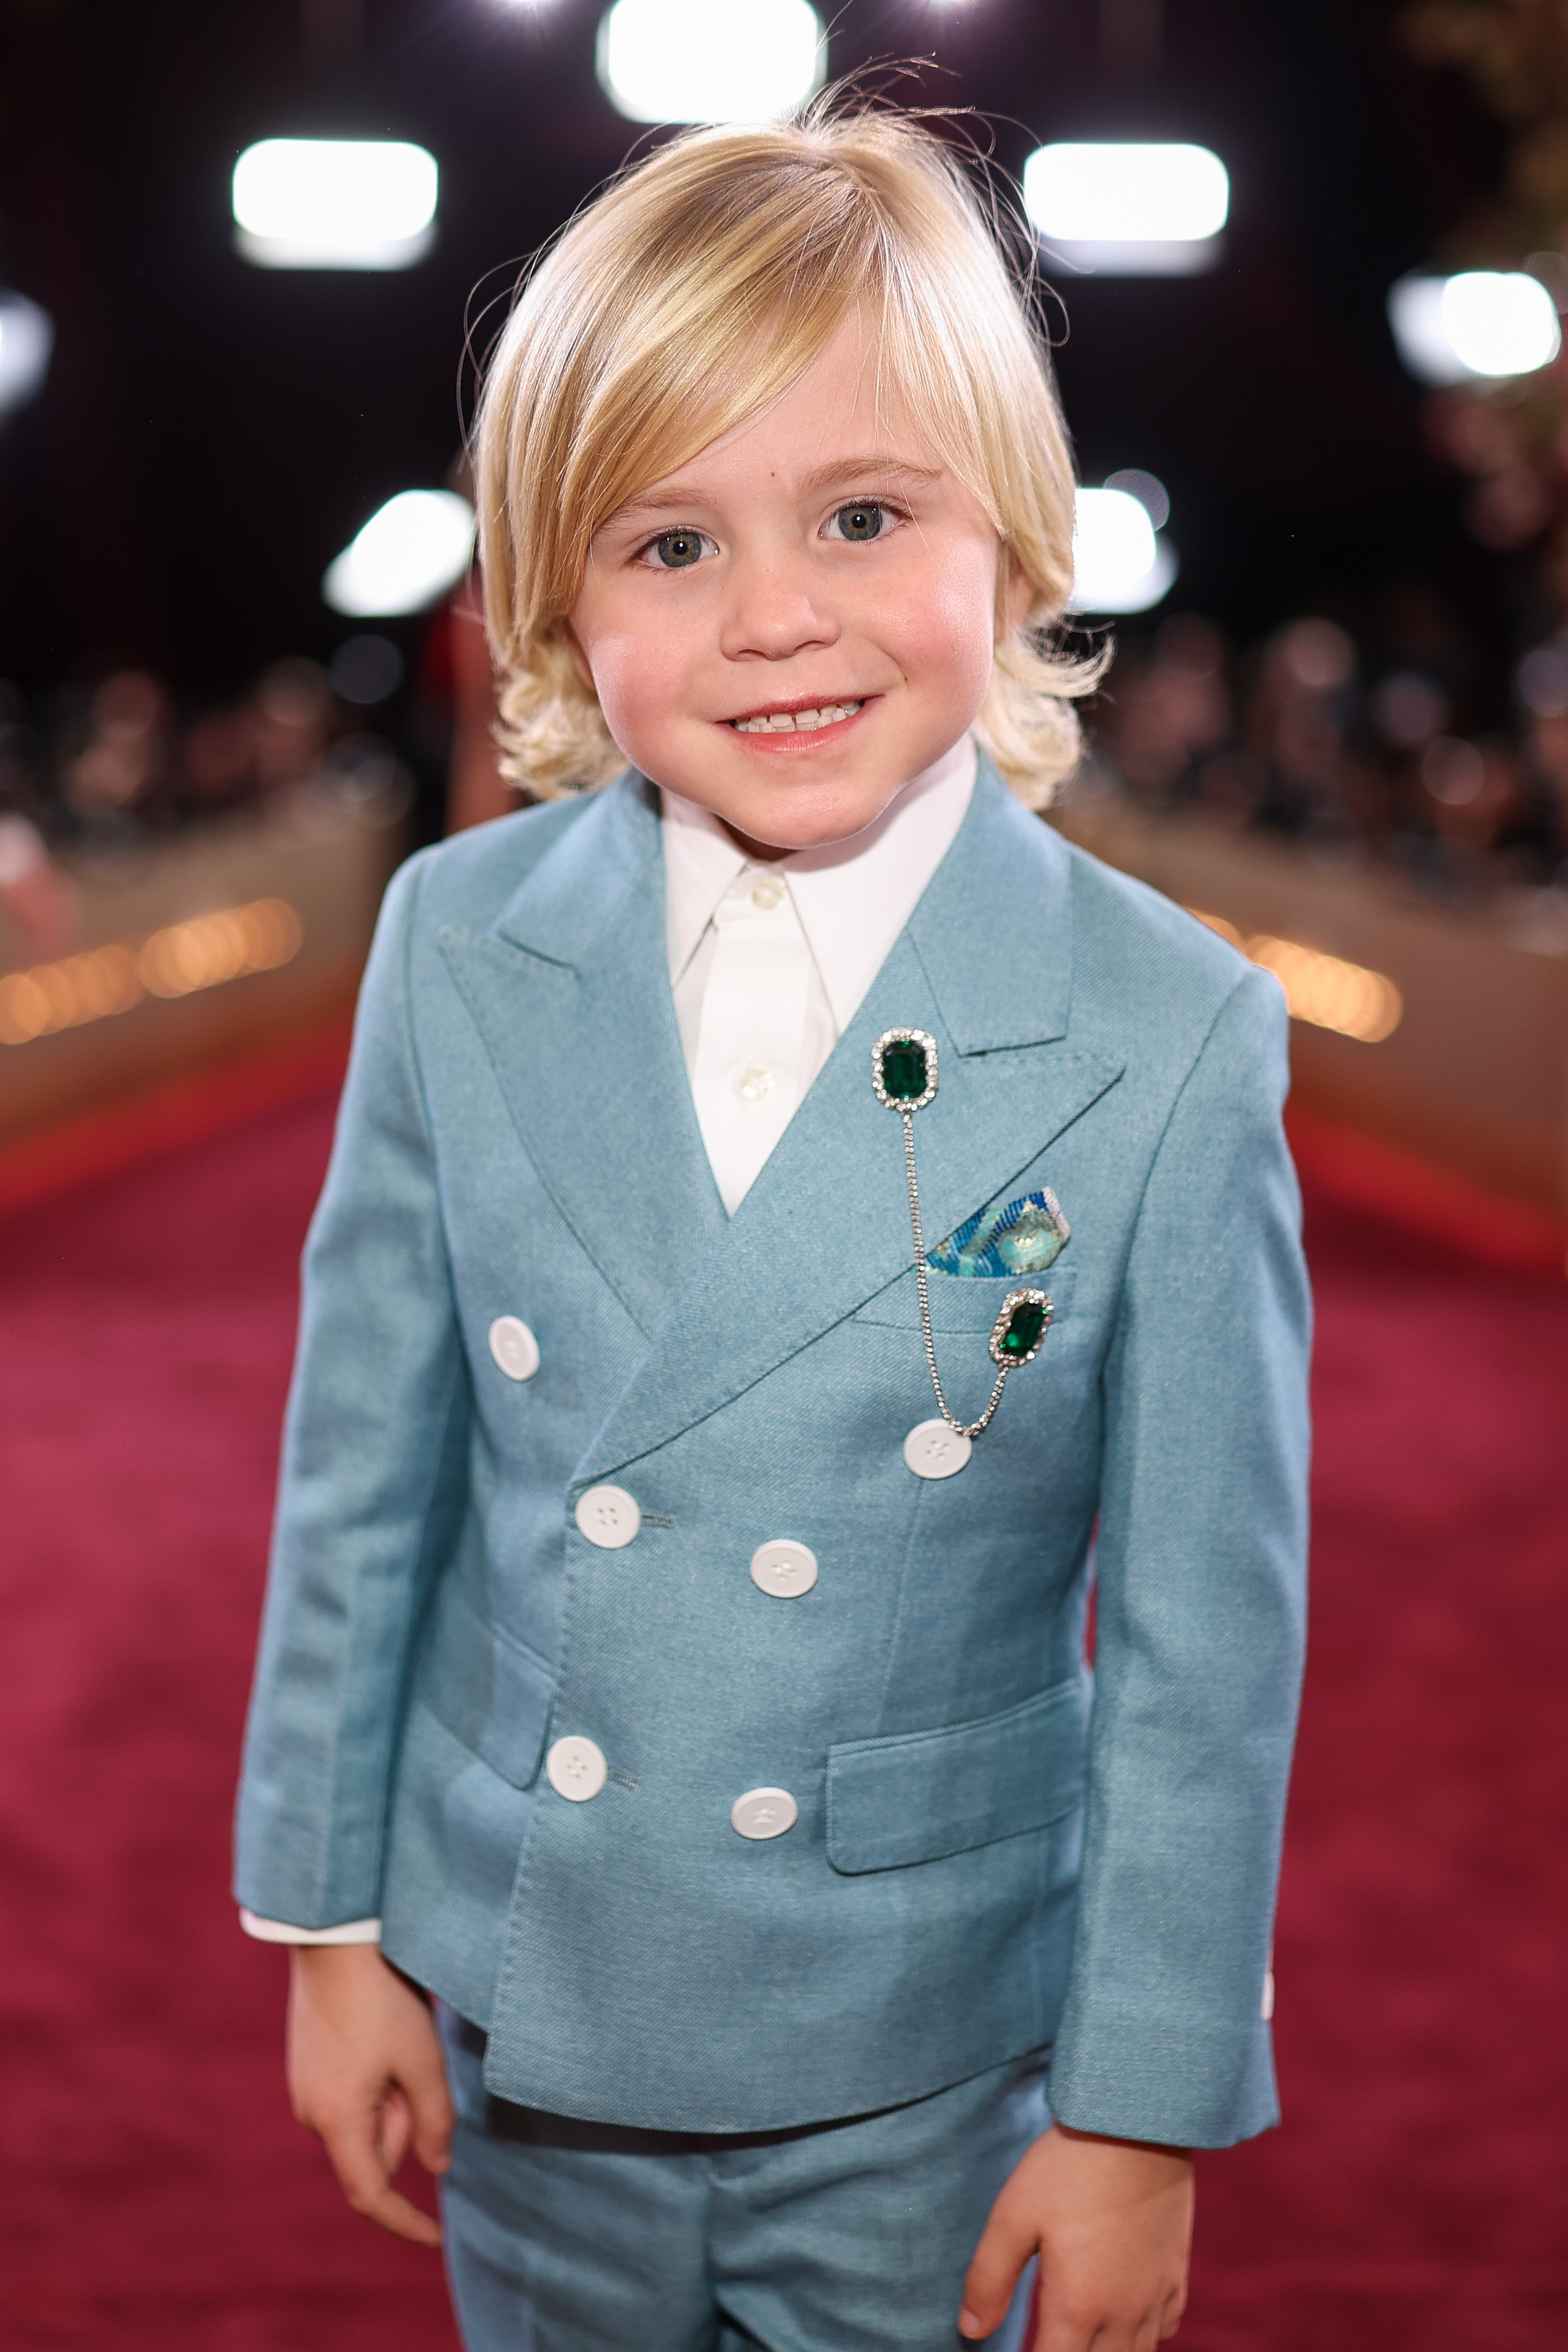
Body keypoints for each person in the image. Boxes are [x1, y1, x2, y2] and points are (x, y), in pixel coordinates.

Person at [235, 103, 1309, 2352]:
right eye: (666, 543)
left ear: (1010, 537)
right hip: (531, 2016)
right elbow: (363, 1488)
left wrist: (1137, 2114)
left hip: (922, 2061)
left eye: (857, 512)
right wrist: (331, 1929)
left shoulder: (1173, 1032)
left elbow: (1209, 1652)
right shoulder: (453, 938)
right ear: (549, 600)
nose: (777, 616)